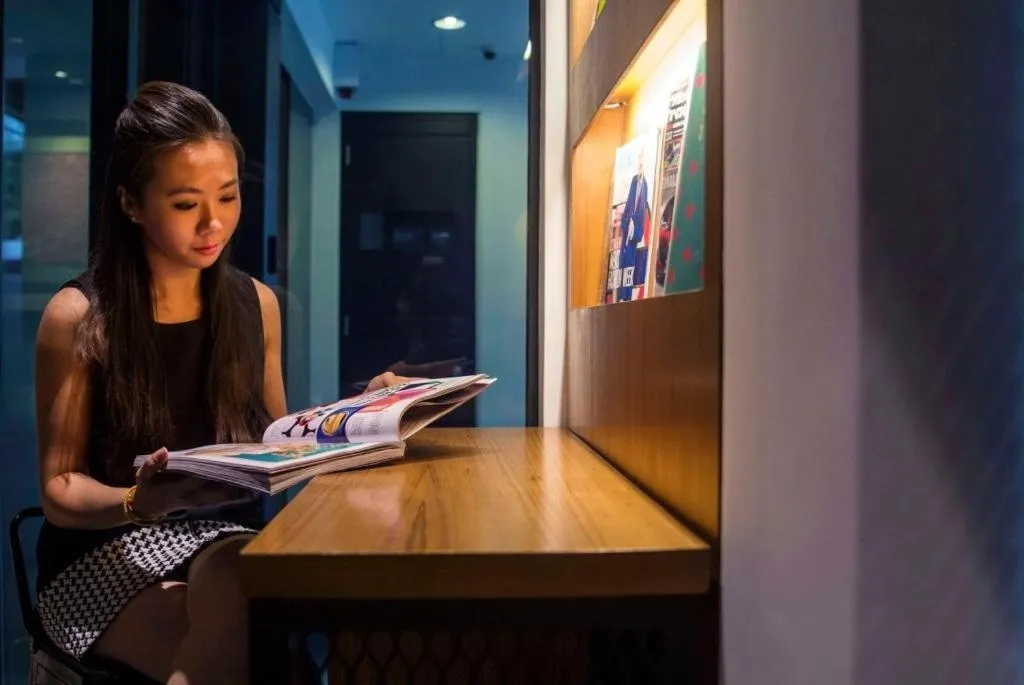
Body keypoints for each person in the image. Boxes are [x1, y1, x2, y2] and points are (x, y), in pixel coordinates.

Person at [32, 81, 406, 685]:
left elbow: (278, 444)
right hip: (103, 552)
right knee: (257, 649)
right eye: (186, 204)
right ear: (131, 203)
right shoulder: (79, 316)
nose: (214, 223)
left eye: (228, 196)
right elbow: (59, 488)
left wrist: (360, 414)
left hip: (219, 540)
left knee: (238, 588)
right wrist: (135, 500)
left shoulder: (255, 304)